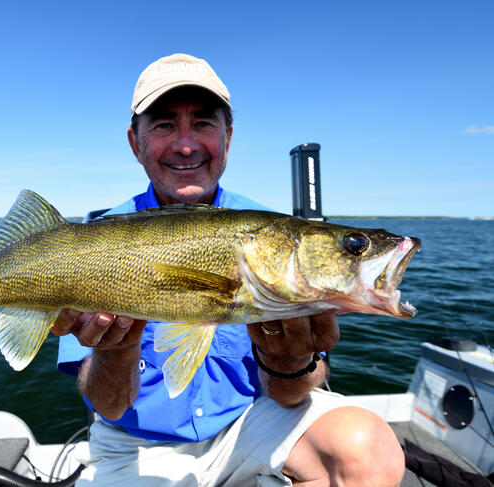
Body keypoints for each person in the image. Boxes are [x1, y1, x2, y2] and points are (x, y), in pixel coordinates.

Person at [52, 53, 405, 486]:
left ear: (228, 137)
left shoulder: (267, 228)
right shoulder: (88, 243)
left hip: (251, 423)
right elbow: (108, 406)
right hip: (135, 445)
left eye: (203, 123)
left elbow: (291, 395)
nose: (186, 144)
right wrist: (115, 349)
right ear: (135, 142)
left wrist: (291, 360)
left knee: (367, 451)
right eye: (164, 125)